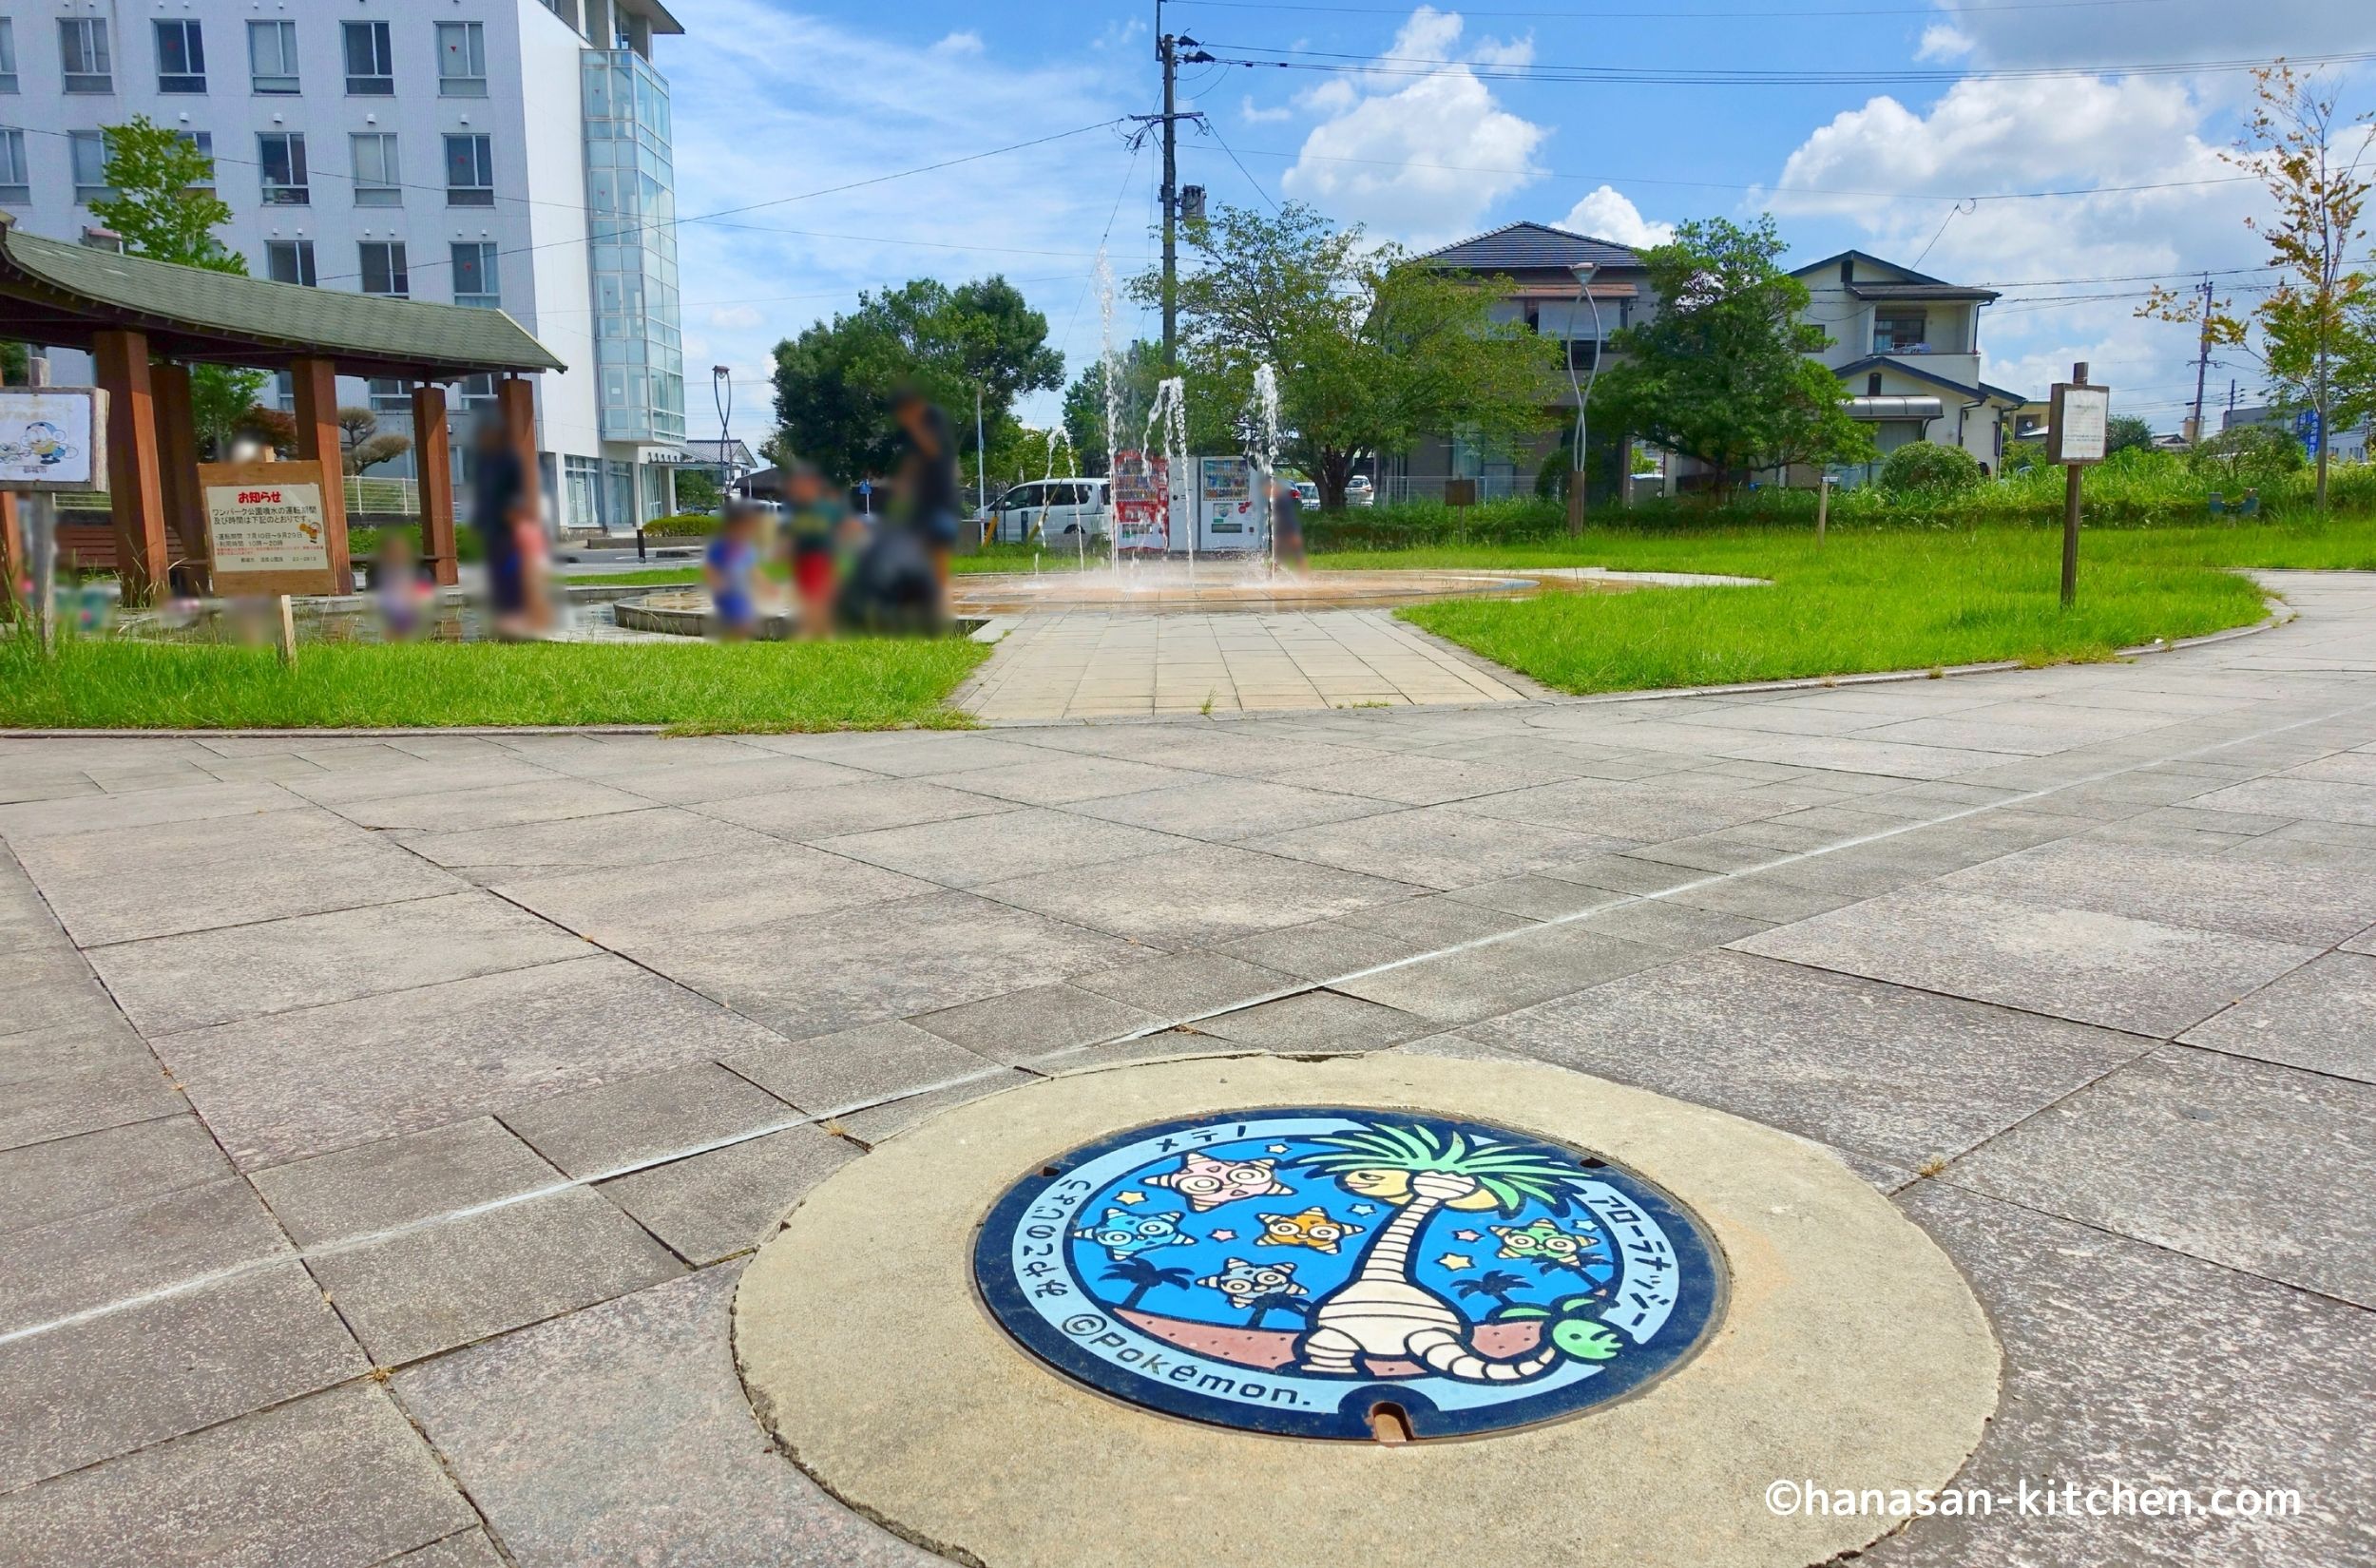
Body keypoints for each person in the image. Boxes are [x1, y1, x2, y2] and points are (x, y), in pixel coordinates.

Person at [469, 412, 541, 638]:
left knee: (514, 570)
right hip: (492, 528)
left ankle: (519, 614)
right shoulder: (483, 464)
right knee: (498, 573)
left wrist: (515, 515)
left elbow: (520, 491)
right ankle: (504, 615)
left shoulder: (510, 461)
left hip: (509, 529)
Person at [891, 386, 961, 583]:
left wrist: (914, 424)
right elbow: (911, 463)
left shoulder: (932, 425)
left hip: (941, 501)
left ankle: (936, 594)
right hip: (922, 504)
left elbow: (933, 450)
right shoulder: (912, 437)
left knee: (938, 548)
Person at [784, 462, 844, 637]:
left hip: (820, 561)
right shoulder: (797, 510)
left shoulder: (826, 509)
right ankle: (817, 634)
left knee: (819, 602)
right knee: (810, 603)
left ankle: (820, 634)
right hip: (803, 563)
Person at [705, 501, 764, 640]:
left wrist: (765, 585)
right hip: (728, 592)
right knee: (740, 622)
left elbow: (753, 569)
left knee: (745, 622)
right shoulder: (721, 546)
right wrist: (717, 583)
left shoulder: (746, 548)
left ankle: (734, 642)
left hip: (743, 592)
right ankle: (734, 642)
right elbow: (711, 567)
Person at [1270, 475, 1306, 573]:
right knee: (1287, 554)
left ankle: (1271, 575)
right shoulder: (1282, 497)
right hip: (1287, 527)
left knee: (1291, 553)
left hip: (1287, 528)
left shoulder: (1279, 498)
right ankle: (1271, 575)